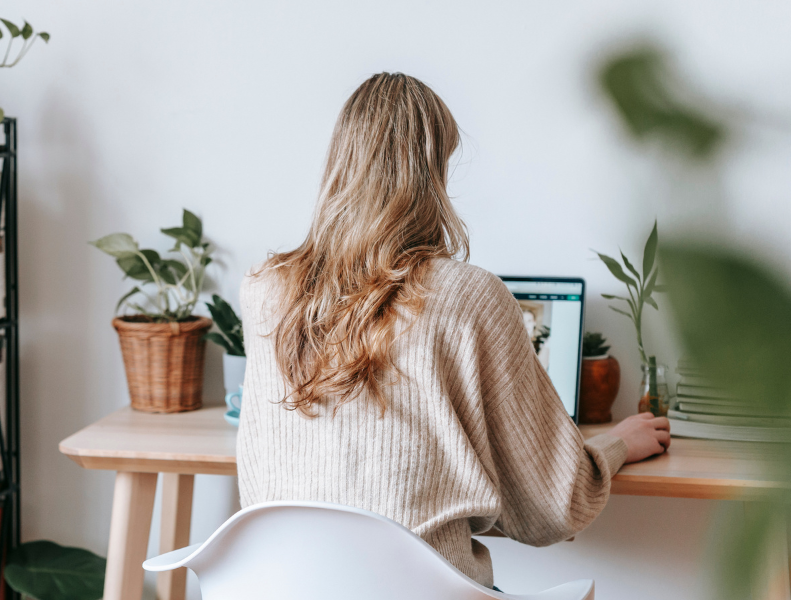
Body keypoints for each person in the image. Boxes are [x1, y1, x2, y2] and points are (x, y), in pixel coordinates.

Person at [236, 72, 670, 589]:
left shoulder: (264, 292)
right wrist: (616, 445)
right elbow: (554, 507)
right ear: (432, 173)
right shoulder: (470, 297)